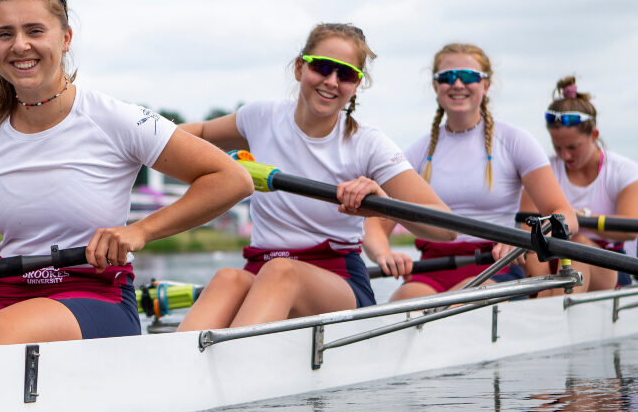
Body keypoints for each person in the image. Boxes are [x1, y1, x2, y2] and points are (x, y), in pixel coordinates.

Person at [0, 0, 252, 351]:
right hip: (9, 294)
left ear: (65, 38)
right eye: (5, 34)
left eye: (35, 30)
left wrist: (140, 232)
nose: (20, 45)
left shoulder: (116, 118)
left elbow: (231, 178)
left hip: (96, 295)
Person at [173, 23, 454, 331]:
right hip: (260, 272)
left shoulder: (368, 144)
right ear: (299, 68)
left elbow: (445, 227)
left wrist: (382, 204)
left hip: (338, 284)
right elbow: (197, 134)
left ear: (356, 85)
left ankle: (234, 362)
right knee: (227, 277)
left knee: (281, 271)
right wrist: (136, 140)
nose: (332, 82)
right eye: (322, 67)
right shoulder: (260, 118)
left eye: (345, 74)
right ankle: (179, 368)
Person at [377, 43, 579, 301]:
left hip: (496, 266)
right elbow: (376, 222)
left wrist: (526, 238)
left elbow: (565, 215)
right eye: (447, 77)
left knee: (453, 305)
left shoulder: (515, 141)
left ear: (486, 85)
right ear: (435, 86)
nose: (458, 84)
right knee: (399, 310)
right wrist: (385, 253)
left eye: (469, 76)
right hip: (433, 269)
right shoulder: (417, 152)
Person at [536, 76, 638, 291]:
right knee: (566, 249)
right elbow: (526, 226)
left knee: (575, 243)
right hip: (551, 259)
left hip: (608, 264)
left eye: (573, 147)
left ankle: (550, 314)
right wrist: (539, 284)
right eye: (557, 147)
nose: (565, 155)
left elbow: (630, 231)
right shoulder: (543, 171)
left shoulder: (627, 172)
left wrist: (578, 219)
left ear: (594, 135)